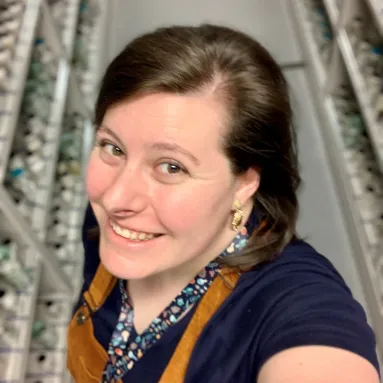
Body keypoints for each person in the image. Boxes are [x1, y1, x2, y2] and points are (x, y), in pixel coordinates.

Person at [66, 24, 380, 382]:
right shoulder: (110, 226)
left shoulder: (292, 303)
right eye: (113, 147)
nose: (115, 197)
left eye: (171, 167)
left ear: (245, 181)